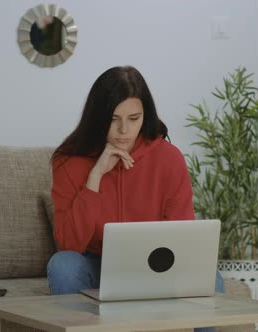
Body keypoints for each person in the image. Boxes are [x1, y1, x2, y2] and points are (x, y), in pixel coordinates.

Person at [46, 66, 224, 331]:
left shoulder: (169, 159)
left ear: (145, 116)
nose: (123, 130)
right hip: (98, 266)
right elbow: (69, 243)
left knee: (212, 278)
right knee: (63, 266)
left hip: (153, 267)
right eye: (113, 118)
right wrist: (95, 177)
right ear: (97, 117)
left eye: (133, 118)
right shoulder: (69, 162)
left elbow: (182, 237)